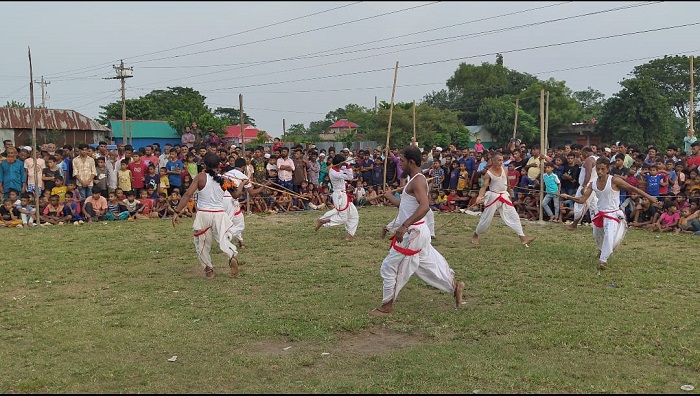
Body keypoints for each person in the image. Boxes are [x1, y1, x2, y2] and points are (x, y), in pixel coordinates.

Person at [369, 145, 464, 317]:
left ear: (411, 162)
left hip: (413, 233)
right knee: (426, 265)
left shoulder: (418, 180)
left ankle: (387, 305)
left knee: (390, 267)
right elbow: (405, 206)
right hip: (418, 232)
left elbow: (425, 206)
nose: (400, 164)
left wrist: (404, 226)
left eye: (403, 161)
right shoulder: (413, 181)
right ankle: (454, 286)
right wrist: (389, 196)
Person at [561, 158, 659, 270]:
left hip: (612, 215)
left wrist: (649, 197)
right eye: (598, 169)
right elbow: (582, 200)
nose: (600, 171)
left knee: (609, 236)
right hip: (599, 214)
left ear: (608, 169)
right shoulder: (593, 184)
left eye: (603, 169)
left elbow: (631, 188)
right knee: (597, 236)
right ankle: (602, 251)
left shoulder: (614, 180)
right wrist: (569, 197)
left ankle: (603, 261)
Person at [172, 153, 244, 279]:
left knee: (202, 243)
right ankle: (232, 256)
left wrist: (177, 211)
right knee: (222, 239)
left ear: (204, 165)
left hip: (204, 214)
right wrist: (243, 183)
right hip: (219, 214)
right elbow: (236, 195)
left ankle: (208, 268)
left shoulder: (201, 177)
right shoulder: (224, 179)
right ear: (218, 165)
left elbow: (188, 194)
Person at [471, 153, 536, 246]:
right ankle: (475, 235)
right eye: (499, 160)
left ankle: (522, 238)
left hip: (504, 196)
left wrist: (511, 194)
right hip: (493, 197)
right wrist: (479, 197)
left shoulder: (505, 170)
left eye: (502, 160)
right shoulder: (488, 173)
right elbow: (484, 187)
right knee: (486, 219)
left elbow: (508, 184)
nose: (501, 162)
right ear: (493, 161)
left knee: (514, 215)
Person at [314, 154, 359, 242]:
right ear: (339, 163)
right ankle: (324, 221)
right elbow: (350, 177)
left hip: (343, 194)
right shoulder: (334, 172)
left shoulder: (337, 170)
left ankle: (349, 234)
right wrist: (348, 166)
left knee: (354, 215)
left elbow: (344, 179)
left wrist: (347, 184)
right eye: (342, 163)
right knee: (343, 217)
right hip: (340, 196)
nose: (343, 165)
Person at [223, 157, 251, 249]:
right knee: (235, 224)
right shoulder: (243, 176)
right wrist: (265, 186)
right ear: (243, 167)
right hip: (229, 199)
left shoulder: (226, 174)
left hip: (225, 199)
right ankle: (226, 237)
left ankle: (240, 240)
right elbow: (252, 192)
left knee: (238, 220)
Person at [568, 146, 598, 230]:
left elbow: (588, 173)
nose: (582, 156)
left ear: (585, 152)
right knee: (594, 206)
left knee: (580, 204)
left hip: (587, 185)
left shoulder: (589, 160)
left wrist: (584, 186)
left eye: (582, 154)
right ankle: (597, 224)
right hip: (594, 185)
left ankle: (574, 224)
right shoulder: (597, 159)